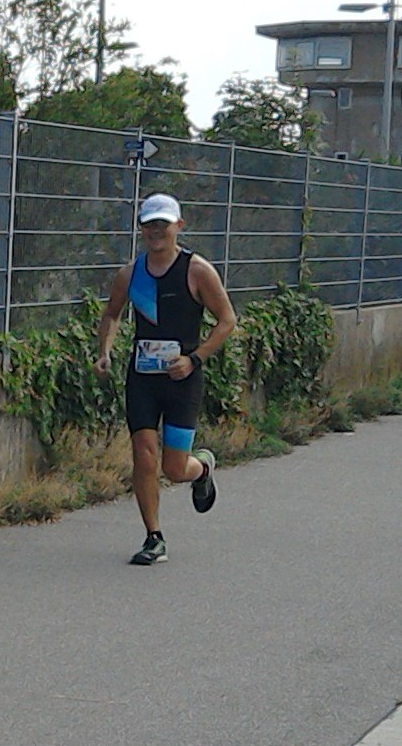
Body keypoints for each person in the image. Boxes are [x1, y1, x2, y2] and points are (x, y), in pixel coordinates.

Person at [93, 193, 237, 565]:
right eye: (149, 224)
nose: (156, 231)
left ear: (178, 227)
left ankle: (201, 466)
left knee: (174, 469)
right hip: (142, 378)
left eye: (164, 224)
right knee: (143, 453)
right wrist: (104, 351)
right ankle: (153, 537)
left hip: (182, 381)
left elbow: (227, 321)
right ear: (141, 229)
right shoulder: (130, 274)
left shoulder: (197, 271)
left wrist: (194, 359)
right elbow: (111, 314)